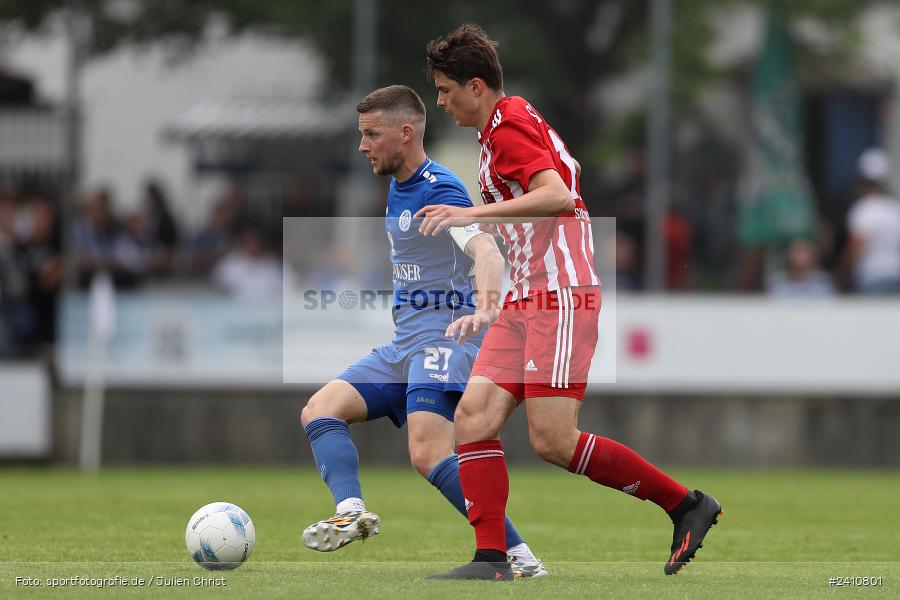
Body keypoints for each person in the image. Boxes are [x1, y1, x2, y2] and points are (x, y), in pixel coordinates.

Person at [419, 24, 722, 580]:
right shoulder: (503, 124)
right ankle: (492, 559)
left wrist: (469, 213)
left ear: (476, 85)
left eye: (445, 89)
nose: (441, 101)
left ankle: (685, 505)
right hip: (524, 296)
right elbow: (558, 184)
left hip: (560, 295)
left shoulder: (507, 125)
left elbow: (558, 192)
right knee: (474, 416)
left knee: (553, 441)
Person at [298, 85, 547, 578]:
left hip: (442, 341)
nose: (362, 145)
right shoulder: (398, 184)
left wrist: (486, 309)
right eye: (361, 134)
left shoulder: (440, 189)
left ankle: (517, 557)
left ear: (405, 133)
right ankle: (351, 512)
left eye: (371, 135)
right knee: (320, 409)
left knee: (427, 452)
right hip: (403, 346)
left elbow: (488, 251)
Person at [836, 148, 900, 294]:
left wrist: (842, 274)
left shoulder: (863, 210)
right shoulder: (894, 209)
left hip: (870, 279)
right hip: (895, 277)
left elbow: (857, 245)